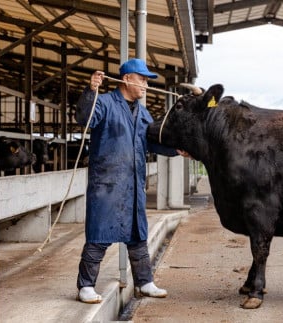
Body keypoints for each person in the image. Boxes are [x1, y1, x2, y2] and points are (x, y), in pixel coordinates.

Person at [75, 58, 189, 304]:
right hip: (107, 183)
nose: (146, 85)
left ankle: (145, 282)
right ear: (126, 79)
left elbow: (153, 141)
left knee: (137, 236)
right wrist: (91, 91)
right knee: (99, 235)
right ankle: (85, 285)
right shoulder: (104, 102)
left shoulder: (143, 112)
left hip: (133, 183)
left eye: (147, 81)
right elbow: (86, 120)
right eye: (142, 79)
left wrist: (177, 149)